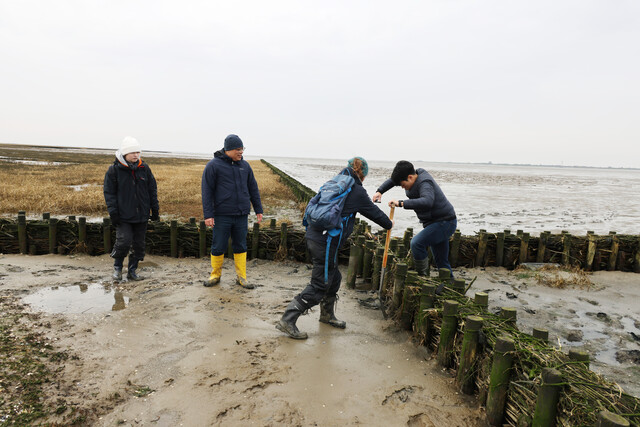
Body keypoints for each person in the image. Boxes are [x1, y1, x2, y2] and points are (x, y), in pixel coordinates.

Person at [276, 157, 393, 340]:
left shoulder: (335, 182)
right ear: (362, 174)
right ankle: (287, 319)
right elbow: (375, 213)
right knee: (320, 284)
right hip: (325, 242)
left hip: (316, 236)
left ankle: (326, 315)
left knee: (334, 277)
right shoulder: (356, 191)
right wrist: (389, 223)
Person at [373, 160, 456, 287]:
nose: (401, 187)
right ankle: (449, 283)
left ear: (410, 177)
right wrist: (380, 191)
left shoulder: (425, 183)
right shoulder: (409, 175)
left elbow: (427, 201)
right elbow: (393, 180)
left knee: (416, 243)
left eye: (402, 184)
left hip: (444, 222)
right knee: (441, 260)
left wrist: (401, 203)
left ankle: (423, 279)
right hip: (434, 223)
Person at [201, 134, 263, 289]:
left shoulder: (246, 166)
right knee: (218, 245)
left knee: (240, 245)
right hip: (222, 215)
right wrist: (208, 215)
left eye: (242, 149)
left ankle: (241, 277)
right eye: (238, 149)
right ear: (228, 150)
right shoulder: (213, 166)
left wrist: (258, 209)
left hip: (241, 214)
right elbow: (207, 191)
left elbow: (253, 189)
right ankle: (215, 275)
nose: (241, 152)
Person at [104, 136, 159, 281]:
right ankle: (117, 269)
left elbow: (152, 189)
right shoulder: (114, 170)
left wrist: (155, 210)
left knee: (139, 245)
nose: (136, 155)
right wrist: (113, 213)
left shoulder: (144, 168)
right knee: (123, 242)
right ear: (125, 153)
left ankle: (132, 271)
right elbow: (109, 193)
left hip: (142, 215)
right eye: (132, 152)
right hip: (123, 216)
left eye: (137, 152)